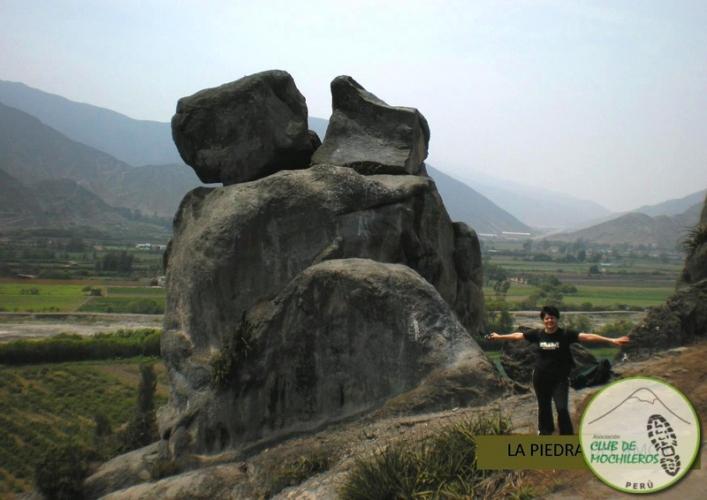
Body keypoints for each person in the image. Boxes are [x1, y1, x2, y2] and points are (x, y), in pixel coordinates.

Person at [488, 305, 630, 435]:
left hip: (560, 379)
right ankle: (545, 432)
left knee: (561, 408)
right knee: (544, 407)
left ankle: (567, 435)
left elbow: (587, 336)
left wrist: (611, 340)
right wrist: (500, 337)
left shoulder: (565, 334)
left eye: (552, 318)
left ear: (557, 319)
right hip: (540, 377)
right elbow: (518, 336)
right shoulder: (538, 334)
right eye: (547, 318)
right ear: (543, 320)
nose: (550, 320)